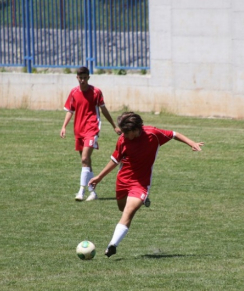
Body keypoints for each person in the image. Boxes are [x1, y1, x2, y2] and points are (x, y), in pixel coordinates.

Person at [88, 112, 204, 257]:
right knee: (122, 208)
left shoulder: (153, 134)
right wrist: (99, 177)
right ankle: (142, 200)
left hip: (141, 183)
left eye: (127, 132)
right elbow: (115, 160)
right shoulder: (123, 140)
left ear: (137, 129)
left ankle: (112, 245)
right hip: (123, 180)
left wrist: (191, 143)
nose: (124, 135)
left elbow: (174, 134)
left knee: (128, 213)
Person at [60, 66, 122, 202]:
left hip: (92, 129)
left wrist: (113, 126)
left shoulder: (96, 92)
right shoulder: (74, 92)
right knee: (86, 161)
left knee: (84, 159)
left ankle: (81, 191)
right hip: (79, 130)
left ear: (88, 77)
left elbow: (103, 109)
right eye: (80, 78)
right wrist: (64, 126)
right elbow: (70, 110)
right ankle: (92, 192)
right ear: (77, 78)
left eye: (84, 78)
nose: (82, 80)